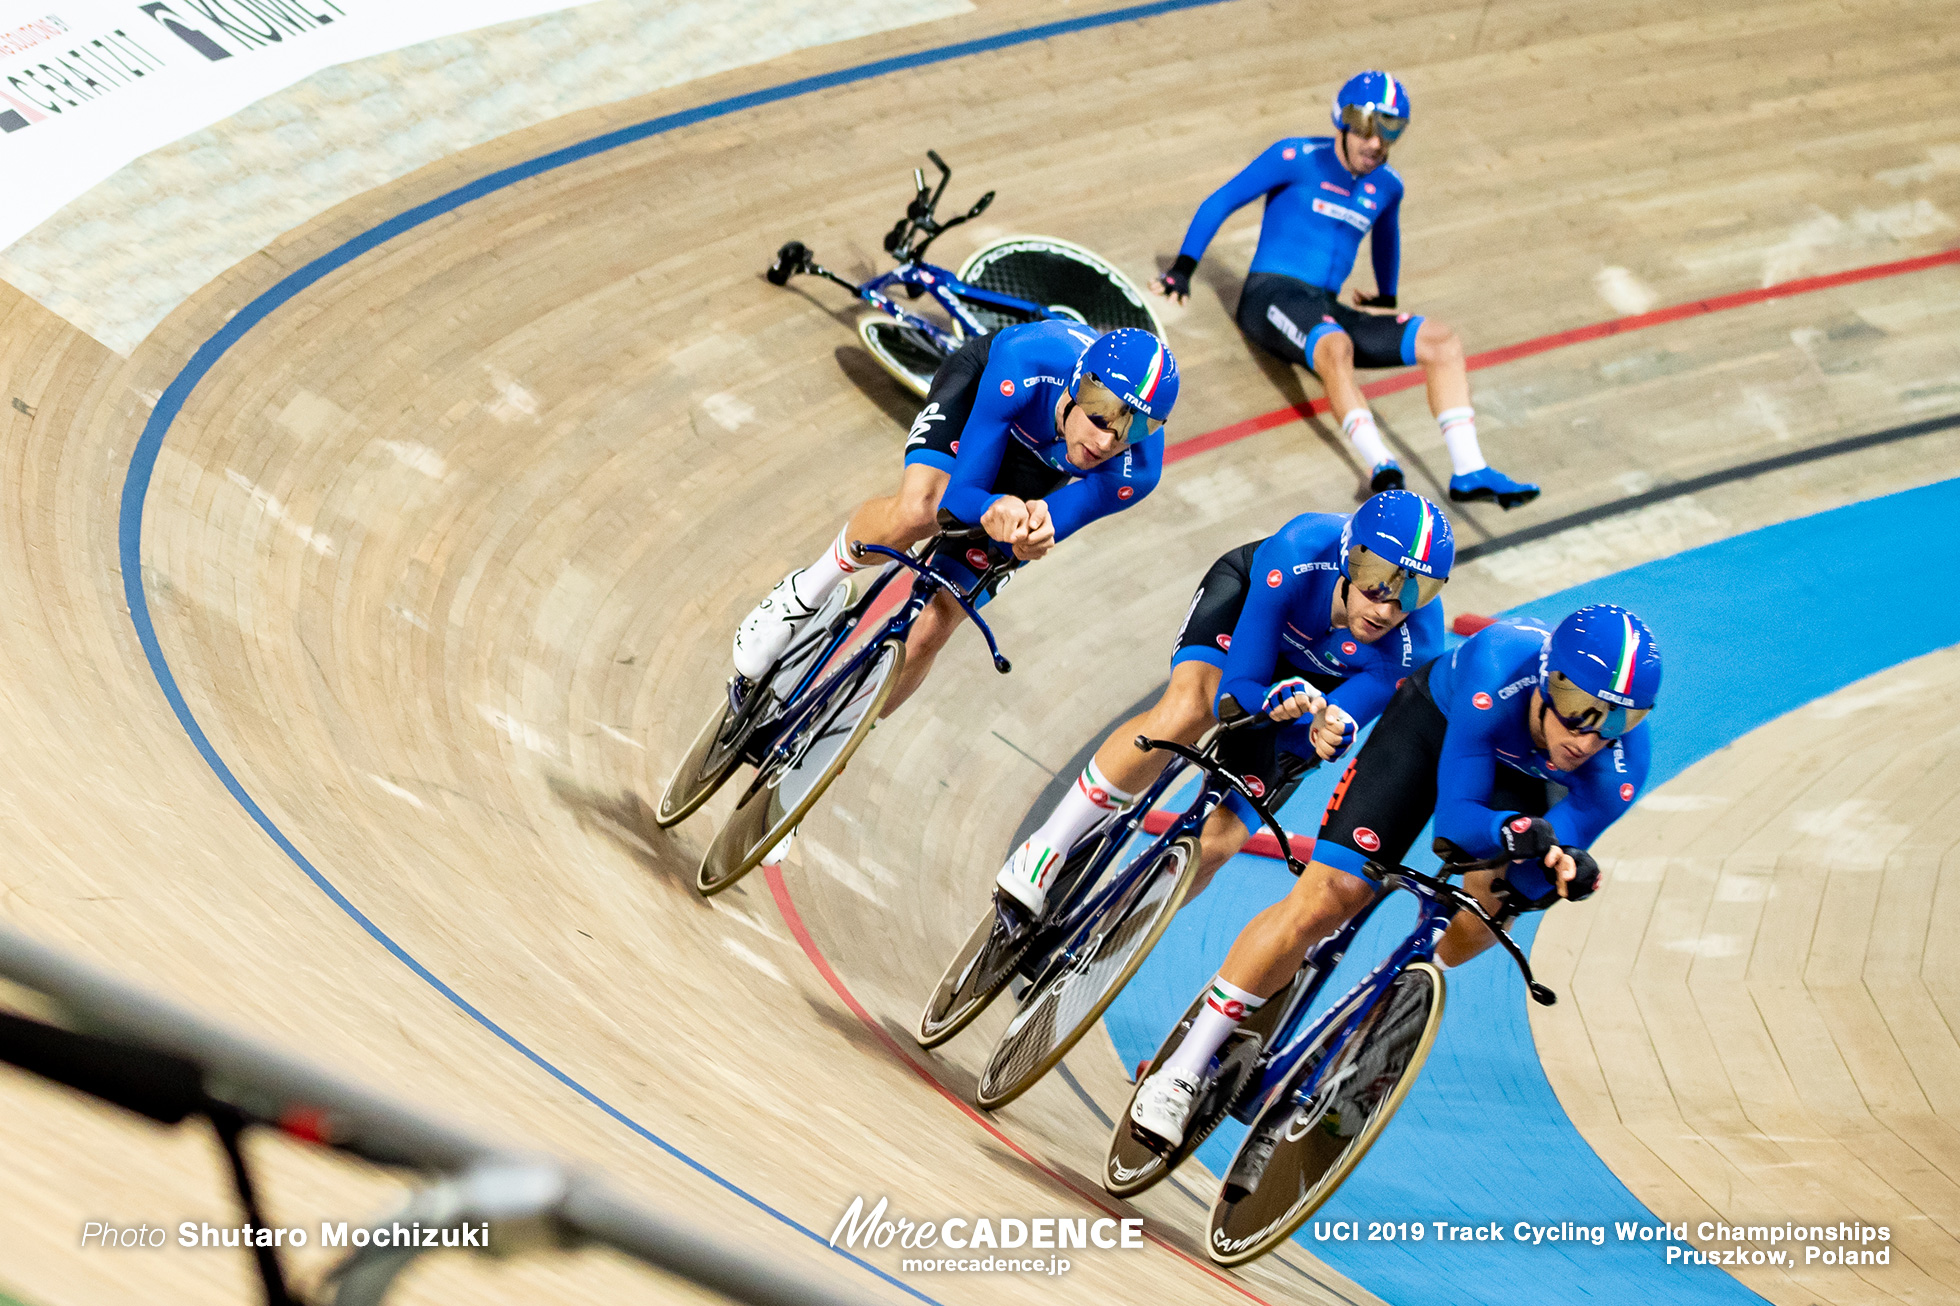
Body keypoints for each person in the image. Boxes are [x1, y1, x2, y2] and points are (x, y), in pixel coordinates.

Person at [1129, 604, 1662, 1147]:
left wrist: (1566, 869)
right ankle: (1182, 1070)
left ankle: (1387, 1004)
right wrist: (1512, 832)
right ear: (1548, 682)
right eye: (1578, 708)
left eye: (1617, 720)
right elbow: (1456, 824)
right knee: (1327, 900)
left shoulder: (1622, 764)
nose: (1590, 738)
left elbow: (1548, 860)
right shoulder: (1500, 665)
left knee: (1491, 912)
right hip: (1435, 729)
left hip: (1515, 784)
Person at [995, 490, 1454, 920]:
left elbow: (1331, 723)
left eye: (1415, 592)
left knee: (1219, 842)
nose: (1388, 609)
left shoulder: (1419, 643)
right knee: (1191, 708)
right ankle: (1046, 846)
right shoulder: (1298, 551)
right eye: (1377, 583)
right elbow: (1239, 689)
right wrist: (1270, 701)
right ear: (1348, 560)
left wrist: (1329, 729)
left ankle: (1116, 934)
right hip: (1248, 621)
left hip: (1313, 682)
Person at [732, 321, 1177, 715]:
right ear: (1079, 385)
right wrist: (989, 507)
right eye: (1102, 414)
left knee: (942, 614)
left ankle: (843, 730)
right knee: (921, 509)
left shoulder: (1135, 471)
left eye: (1136, 428)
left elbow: (1041, 526)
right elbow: (961, 496)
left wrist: (1031, 535)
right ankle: (803, 592)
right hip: (990, 400)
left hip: (1039, 468)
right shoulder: (1028, 360)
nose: (1107, 440)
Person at [1152, 70, 1539, 510]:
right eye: (1366, 133)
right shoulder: (1295, 156)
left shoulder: (1387, 186)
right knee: (1335, 347)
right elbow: (1221, 200)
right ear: (1343, 123)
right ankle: (1382, 467)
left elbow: (1386, 239)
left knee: (1442, 341)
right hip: (1269, 297)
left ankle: (1470, 470)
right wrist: (1183, 269)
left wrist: (1386, 295)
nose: (1375, 146)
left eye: (1388, 135)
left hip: (1325, 307)